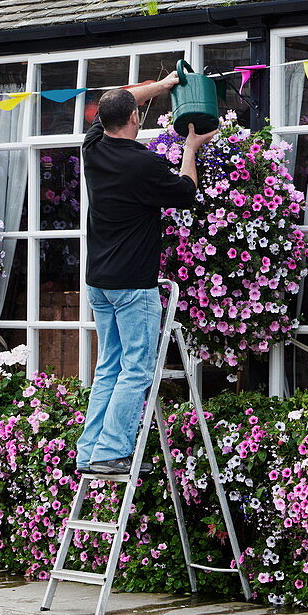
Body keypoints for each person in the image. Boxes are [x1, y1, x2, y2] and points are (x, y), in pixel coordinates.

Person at [76, 73, 216, 475]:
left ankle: (90, 451)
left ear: (103, 119)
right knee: (136, 367)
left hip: (99, 282)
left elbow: (119, 101)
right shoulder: (142, 163)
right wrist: (191, 148)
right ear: (135, 119)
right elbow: (186, 192)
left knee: (109, 366)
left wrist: (162, 86)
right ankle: (110, 452)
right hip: (133, 284)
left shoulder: (93, 147)